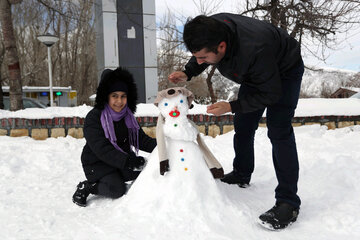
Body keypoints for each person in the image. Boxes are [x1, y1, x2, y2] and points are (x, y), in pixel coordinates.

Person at [168, 13, 304, 230]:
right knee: (243, 124)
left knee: (279, 131)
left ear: (221, 47)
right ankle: (242, 173)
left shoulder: (255, 49)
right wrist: (188, 71)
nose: (200, 61)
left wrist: (231, 106)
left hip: (285, 71)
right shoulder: (211, 28)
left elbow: (270, 94)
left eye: (203, 58)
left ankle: (289, 202)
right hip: (257, 72)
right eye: (197, 57)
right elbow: (202, 53)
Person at [72, 67, 156, 207]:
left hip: (120, 159)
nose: (119, 101)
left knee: (146, 174)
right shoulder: (94, 118)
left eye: (123, 96)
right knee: (117, 189)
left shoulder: (127, 116)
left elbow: (141, 139)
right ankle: (88, 186)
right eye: (114, 96)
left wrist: (164, 146)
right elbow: (102, 149)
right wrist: (129, 161)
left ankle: (120, 173)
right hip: (97, 163)